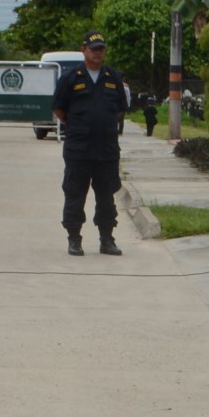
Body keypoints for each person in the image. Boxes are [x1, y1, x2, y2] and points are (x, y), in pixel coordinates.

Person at [51, 31, 132, 255]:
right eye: (93, 49)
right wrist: (79, 125)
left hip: (106, 150)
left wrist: (101, 125)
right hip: (79, 149)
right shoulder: (71, 77)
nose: (98, 53)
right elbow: (59, 108)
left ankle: (107, 239)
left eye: (101, 49)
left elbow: (119, 109)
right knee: (75, 195)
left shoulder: (113, 77)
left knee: (106, 197)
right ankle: (74, 239)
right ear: (84, 50)